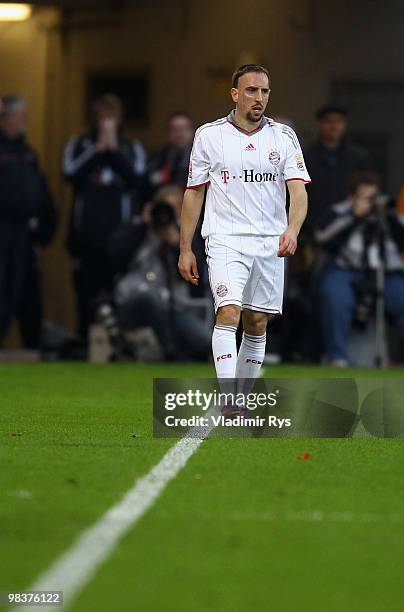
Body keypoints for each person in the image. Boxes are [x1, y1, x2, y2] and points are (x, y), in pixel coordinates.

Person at [178, 64, 310, 415]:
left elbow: (298, 193)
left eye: (265, 91)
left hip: (269, 242)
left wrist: (292, 230)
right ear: (235, 94)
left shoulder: (283, 137)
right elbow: (194, 193)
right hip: (225, 238)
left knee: (257, 321)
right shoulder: (209, 135)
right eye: (252, 90)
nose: (259, 98)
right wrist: (184, 247)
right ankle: (230, 399)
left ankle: (242, 395)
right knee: (228, 311)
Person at [63, 94, 146, 340]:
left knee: (116, 293)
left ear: (120, 119)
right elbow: (70, 174)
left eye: (112, 116)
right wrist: (98, 149)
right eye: (103, 116)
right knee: (85, 292)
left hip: (118, 238)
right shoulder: (78, 144)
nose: (107, 121)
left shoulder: (131, 147)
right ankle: (83, 341)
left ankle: (119, 343)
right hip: (86, 237)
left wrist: (114, 151)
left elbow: (136, 180)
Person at [316, 172, 404, 366]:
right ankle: (337, 356)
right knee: (334, 295)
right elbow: (322, 238)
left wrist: (387, 216)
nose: (372, 203)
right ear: (352, 197)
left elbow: (400, 240)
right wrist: (355, 216)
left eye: (374, 197)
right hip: (345, 269)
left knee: (401, 295)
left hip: (382, 272)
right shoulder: (339, 211)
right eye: (367, 198)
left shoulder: (384, 215)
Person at [0, 94, 56, 349]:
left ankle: (31, 347)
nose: (26, 121)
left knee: (19, 289)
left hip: (22, 236)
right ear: (8, 118)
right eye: (21, 116)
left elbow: (40, 192)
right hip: (3, 231)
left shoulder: (27, 152)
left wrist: (45, 228)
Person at [304, 105, 372, 231]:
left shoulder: (358, 156)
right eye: (328, 121)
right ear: (320, 124)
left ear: (344, 124)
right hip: (312, 225)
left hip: (349, 225)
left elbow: (367, 189)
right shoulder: (304, 156)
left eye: (338, 121)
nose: (333, 126)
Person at [144, 112, 194, 198]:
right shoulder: (157, 158)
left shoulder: (202, 158)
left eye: (183, 129)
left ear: (192, 131)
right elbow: (145, 185)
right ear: (167, 133)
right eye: (174, 129)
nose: (179, 134)